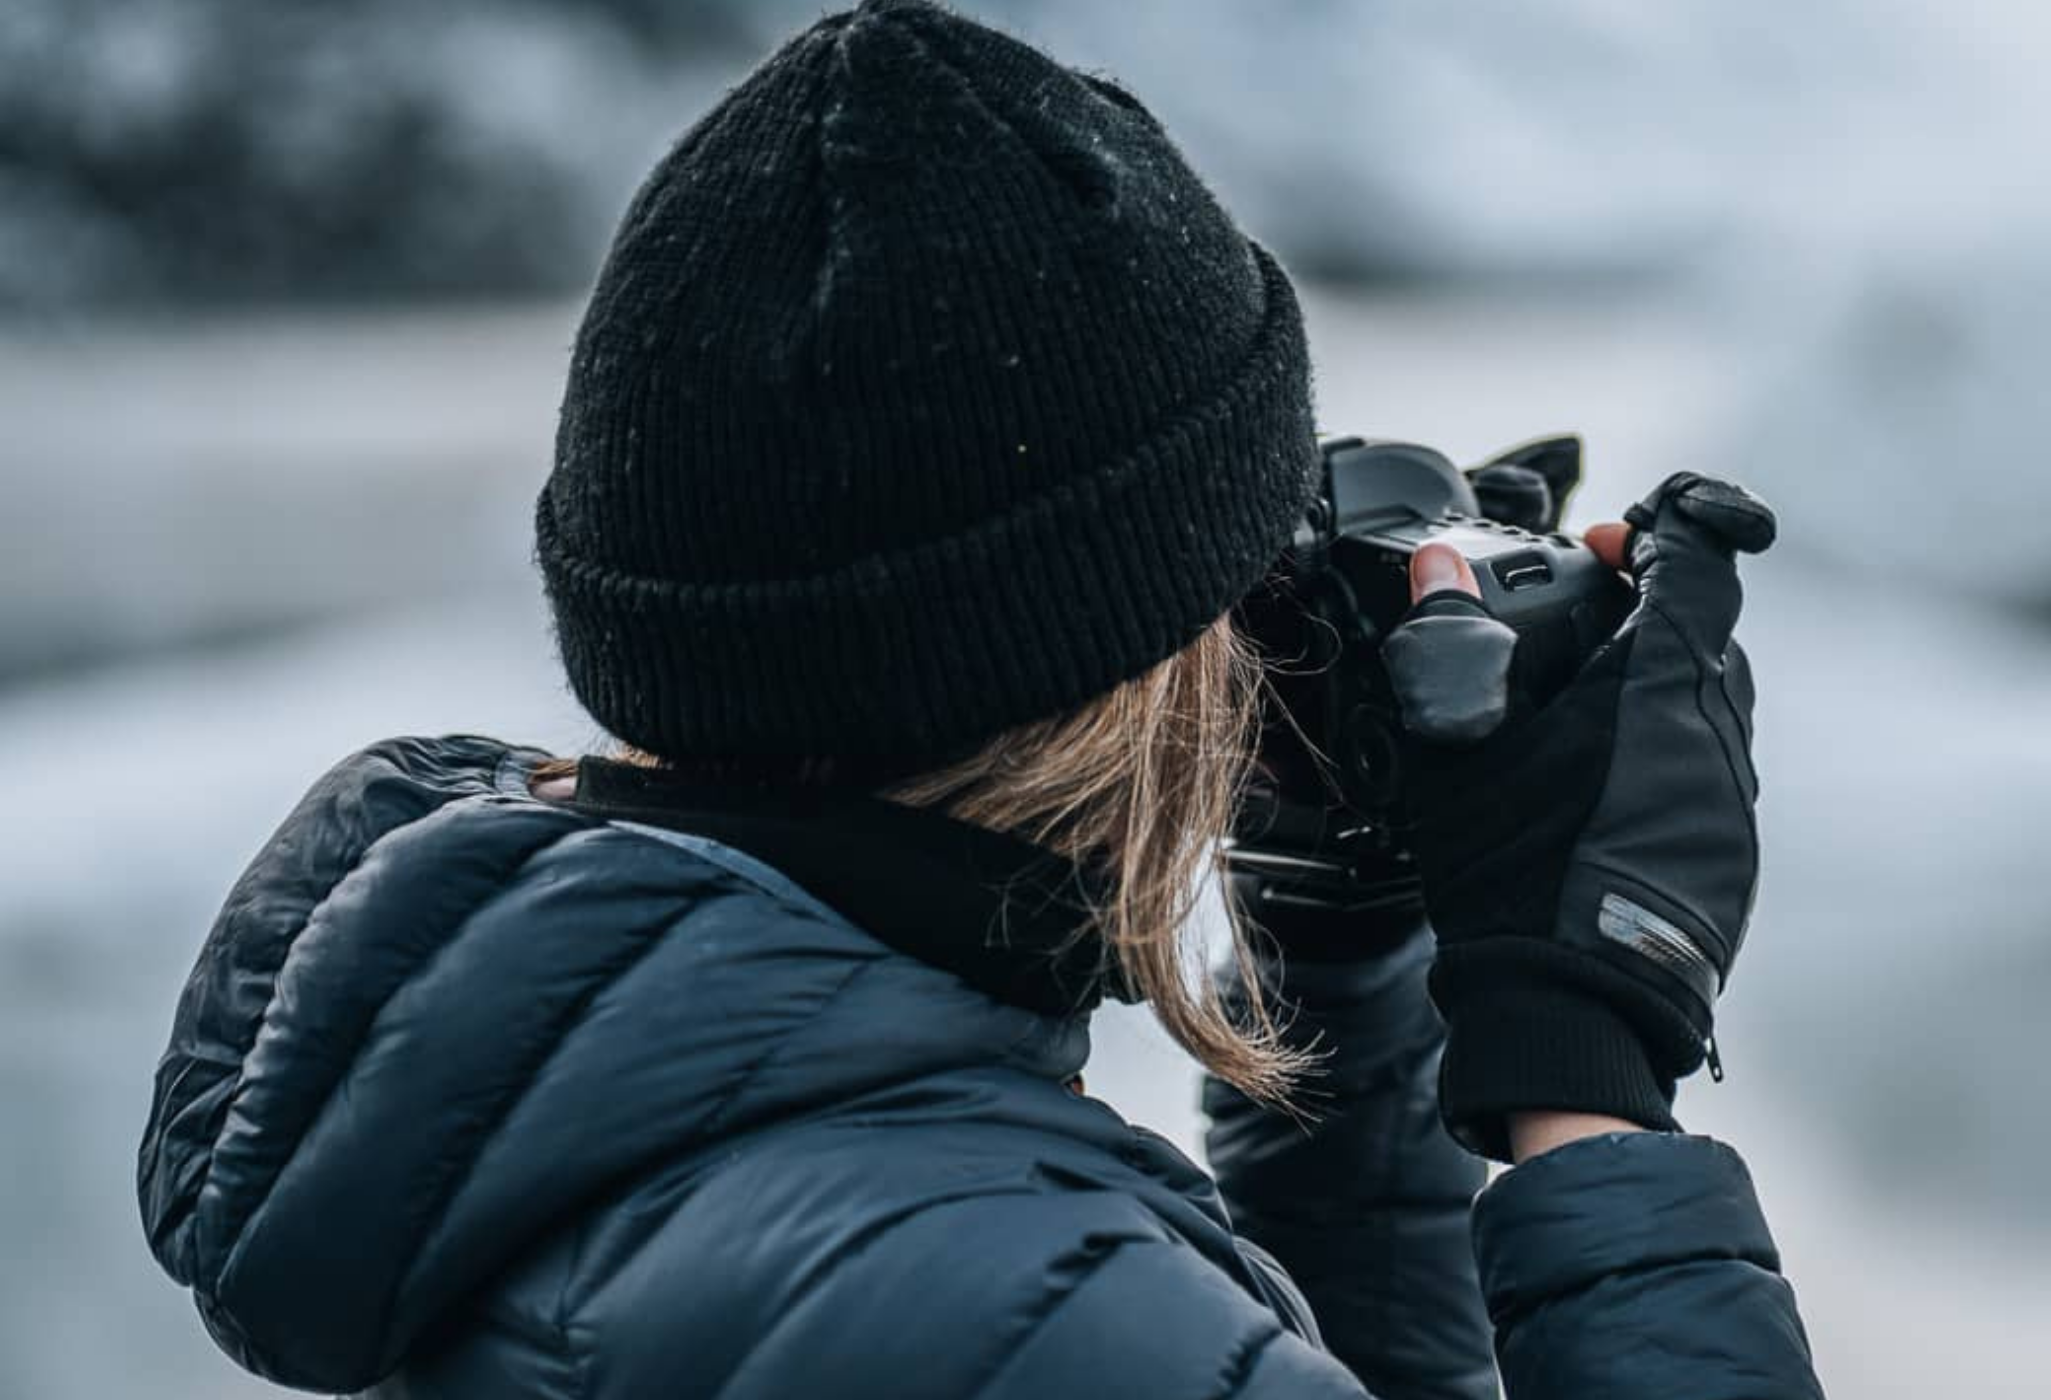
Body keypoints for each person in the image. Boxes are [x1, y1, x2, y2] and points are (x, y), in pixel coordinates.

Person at [134, 3, 1822, 1397]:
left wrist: (1343, 954)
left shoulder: (646, 1115)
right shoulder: (1006, 1296)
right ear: (1136, 654)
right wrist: (1585, 1082)